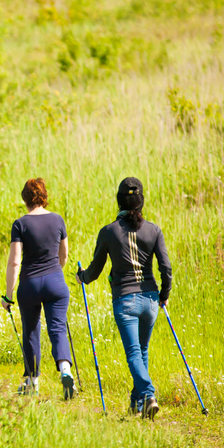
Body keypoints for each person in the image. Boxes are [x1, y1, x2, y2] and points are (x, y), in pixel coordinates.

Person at [77, 177, 172, 420]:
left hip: (125, 301)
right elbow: (166, 268)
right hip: (150, 300)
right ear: (142, 201)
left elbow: (95, 271)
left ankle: (148, 394)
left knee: (133, 353)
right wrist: (164, 294)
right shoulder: (154, 230)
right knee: (142, 351)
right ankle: (136, 402)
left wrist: (82, 277)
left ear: (119, 200)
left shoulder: (108, 232)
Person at [1, 178, 75, 398]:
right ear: (44, 196)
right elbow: (64, 255)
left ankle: (32, 382)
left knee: (31, 331)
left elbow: (15, 262)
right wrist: (55, 271)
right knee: (58, 329)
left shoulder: (20, 224)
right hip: (55, 281)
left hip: (30, 284)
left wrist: (8, 295)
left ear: (25, 199)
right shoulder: (58, 220)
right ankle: (65, 370)